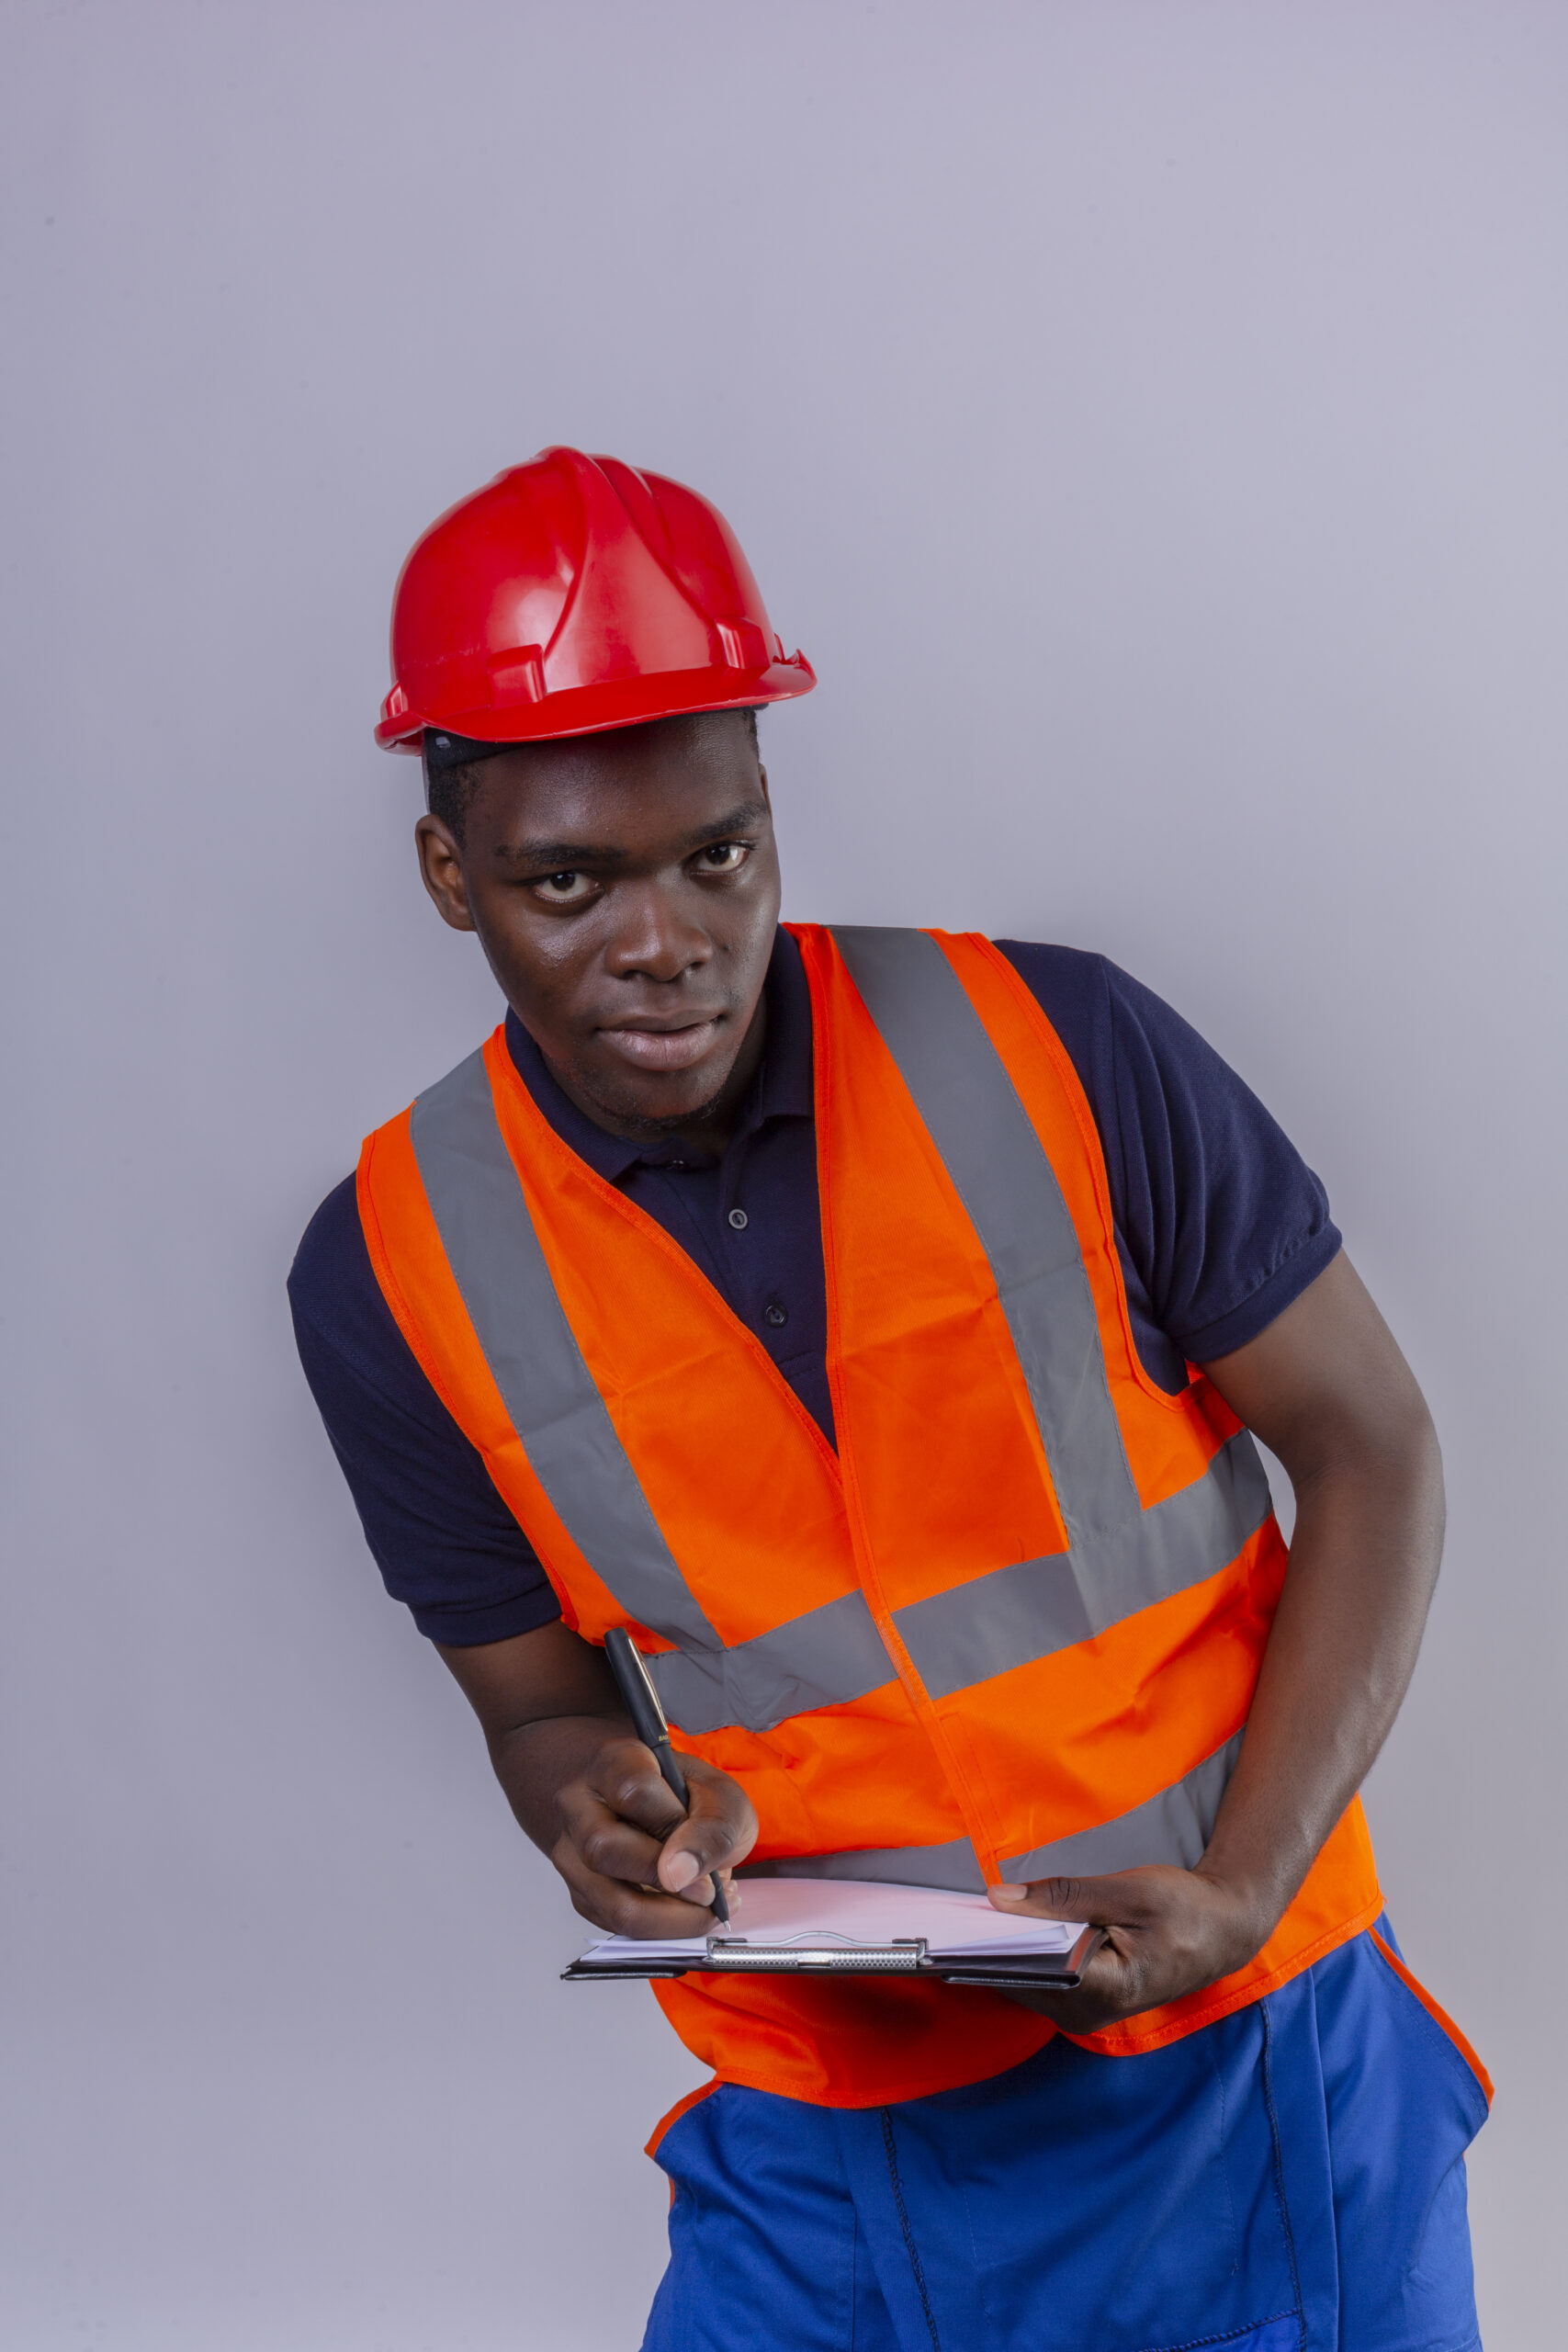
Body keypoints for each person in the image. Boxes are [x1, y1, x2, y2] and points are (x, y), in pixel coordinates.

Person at [289, 446, 1489, 2352]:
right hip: (827, 2134)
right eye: (566, 881)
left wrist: (1241, 1886)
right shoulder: (388, 1266)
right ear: (452, 876)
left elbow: (1372, 1444)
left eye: (716, 852)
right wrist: (584, 1805)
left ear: (768, 810)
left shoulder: (1064, 1043)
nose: (664, 937)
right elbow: (535, 1702)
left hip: (1253, 2058)